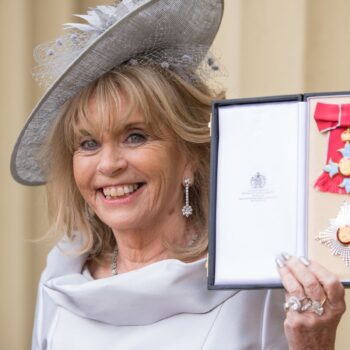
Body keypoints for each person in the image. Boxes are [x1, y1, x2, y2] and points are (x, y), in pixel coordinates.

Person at [11, 1, 345, 349]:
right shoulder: (61, 278)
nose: (108, 164)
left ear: (188, 154)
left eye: (135, 136)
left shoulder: (254, 288)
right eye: (89, 143)